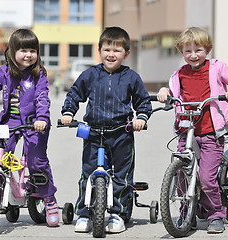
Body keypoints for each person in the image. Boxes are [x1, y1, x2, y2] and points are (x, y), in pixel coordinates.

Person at [0, 29, 59, 227]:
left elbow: (42, 98)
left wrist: (42, 118)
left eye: (33, 50)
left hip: (34, 122)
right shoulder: (4, 72)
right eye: (23, 50)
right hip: (9, 121)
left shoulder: (38, 74)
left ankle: (48, 198)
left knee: (36, 162)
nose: (29, 55)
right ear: (12, 51)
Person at [60, 26, 152, 234]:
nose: (111, 54)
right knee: (88, 174)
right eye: (107, 49)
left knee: (122, 176)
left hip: (121, 133)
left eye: (117, 50)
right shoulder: (90, 75)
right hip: (93, 132)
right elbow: (75, 94)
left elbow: (143, 101)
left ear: (126, 53)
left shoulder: (131, 77)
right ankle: (84, 213)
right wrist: (68, 112)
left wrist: (141, 118)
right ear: (99, 50)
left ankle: (118, 214)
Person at [156, 27, 228, 234]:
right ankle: (186, 210)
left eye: (198, 50)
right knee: (181, 172)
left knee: (206, 178)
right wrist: (163, 91)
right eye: (188, 51)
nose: (193, 55)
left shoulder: (216, 68)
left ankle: (216, 213)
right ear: (182, 53)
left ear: (207, 49)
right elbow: (171, 89)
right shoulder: (180, 73)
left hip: (210, 131)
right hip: (186, 129)